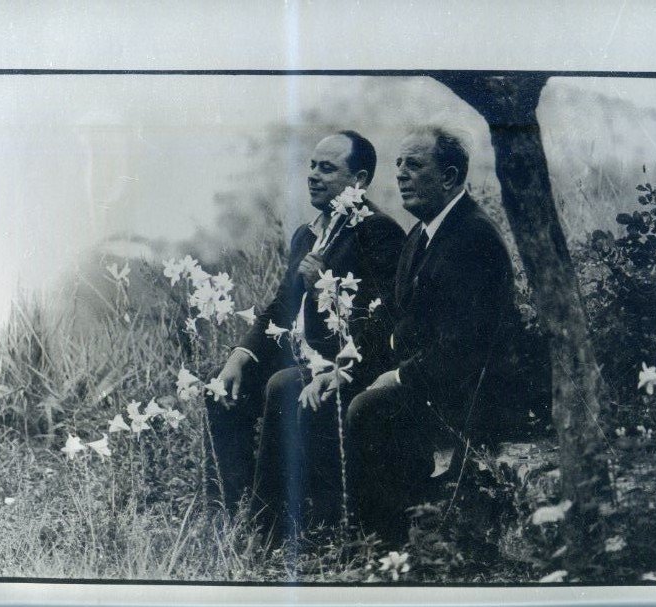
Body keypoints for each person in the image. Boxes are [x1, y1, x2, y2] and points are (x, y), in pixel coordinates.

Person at [208, 131, 405, 538]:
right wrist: (240, 355)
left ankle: (268, 527)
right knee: (221, 386)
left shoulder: (378, 232)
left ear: (359, 180)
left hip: (351, 367)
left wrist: (321, 284)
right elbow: (282, 305)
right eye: (313, 166)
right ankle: (233, 514)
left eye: (327, 169)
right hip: (308, 359)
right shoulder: (307, 234)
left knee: (283, 385)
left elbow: (383, 319)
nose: (313, 175)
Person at [345, 125, 537, 541]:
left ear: (449, 177)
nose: (400, 174)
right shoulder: (422, 232)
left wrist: (399, 376)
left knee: (369, 408)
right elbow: (396, 315)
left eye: (414, 165)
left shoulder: (473, 236)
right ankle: (351, 530)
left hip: (473, 394)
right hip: (438, 380)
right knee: (343, 388)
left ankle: (388, 545)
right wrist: (349, 362)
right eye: (398, 164)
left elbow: (467, 346)